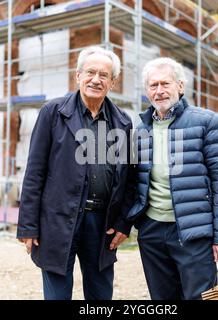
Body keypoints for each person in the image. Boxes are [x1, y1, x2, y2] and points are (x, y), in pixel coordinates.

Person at [17, 46, 134, 300]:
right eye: (90, 72)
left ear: (112, 82)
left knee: (101, 296)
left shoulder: (123, 122)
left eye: (104, 75)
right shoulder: (53, 112)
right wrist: (28, 225)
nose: (96, 79)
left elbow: (127, 178)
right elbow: (34, 171)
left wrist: (124, 223)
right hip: (58, 220)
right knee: (57, 294)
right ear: (78, 75)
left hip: (102, 224)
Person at [126, 57, 218, 300]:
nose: (159, 91)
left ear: (180, 86)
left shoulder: (206, 122)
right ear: (147, 92)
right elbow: (134, 182)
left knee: (201, 297)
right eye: (153, 86)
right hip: (152, 231)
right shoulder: (141, 129)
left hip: (193, 233)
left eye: (165, 83)